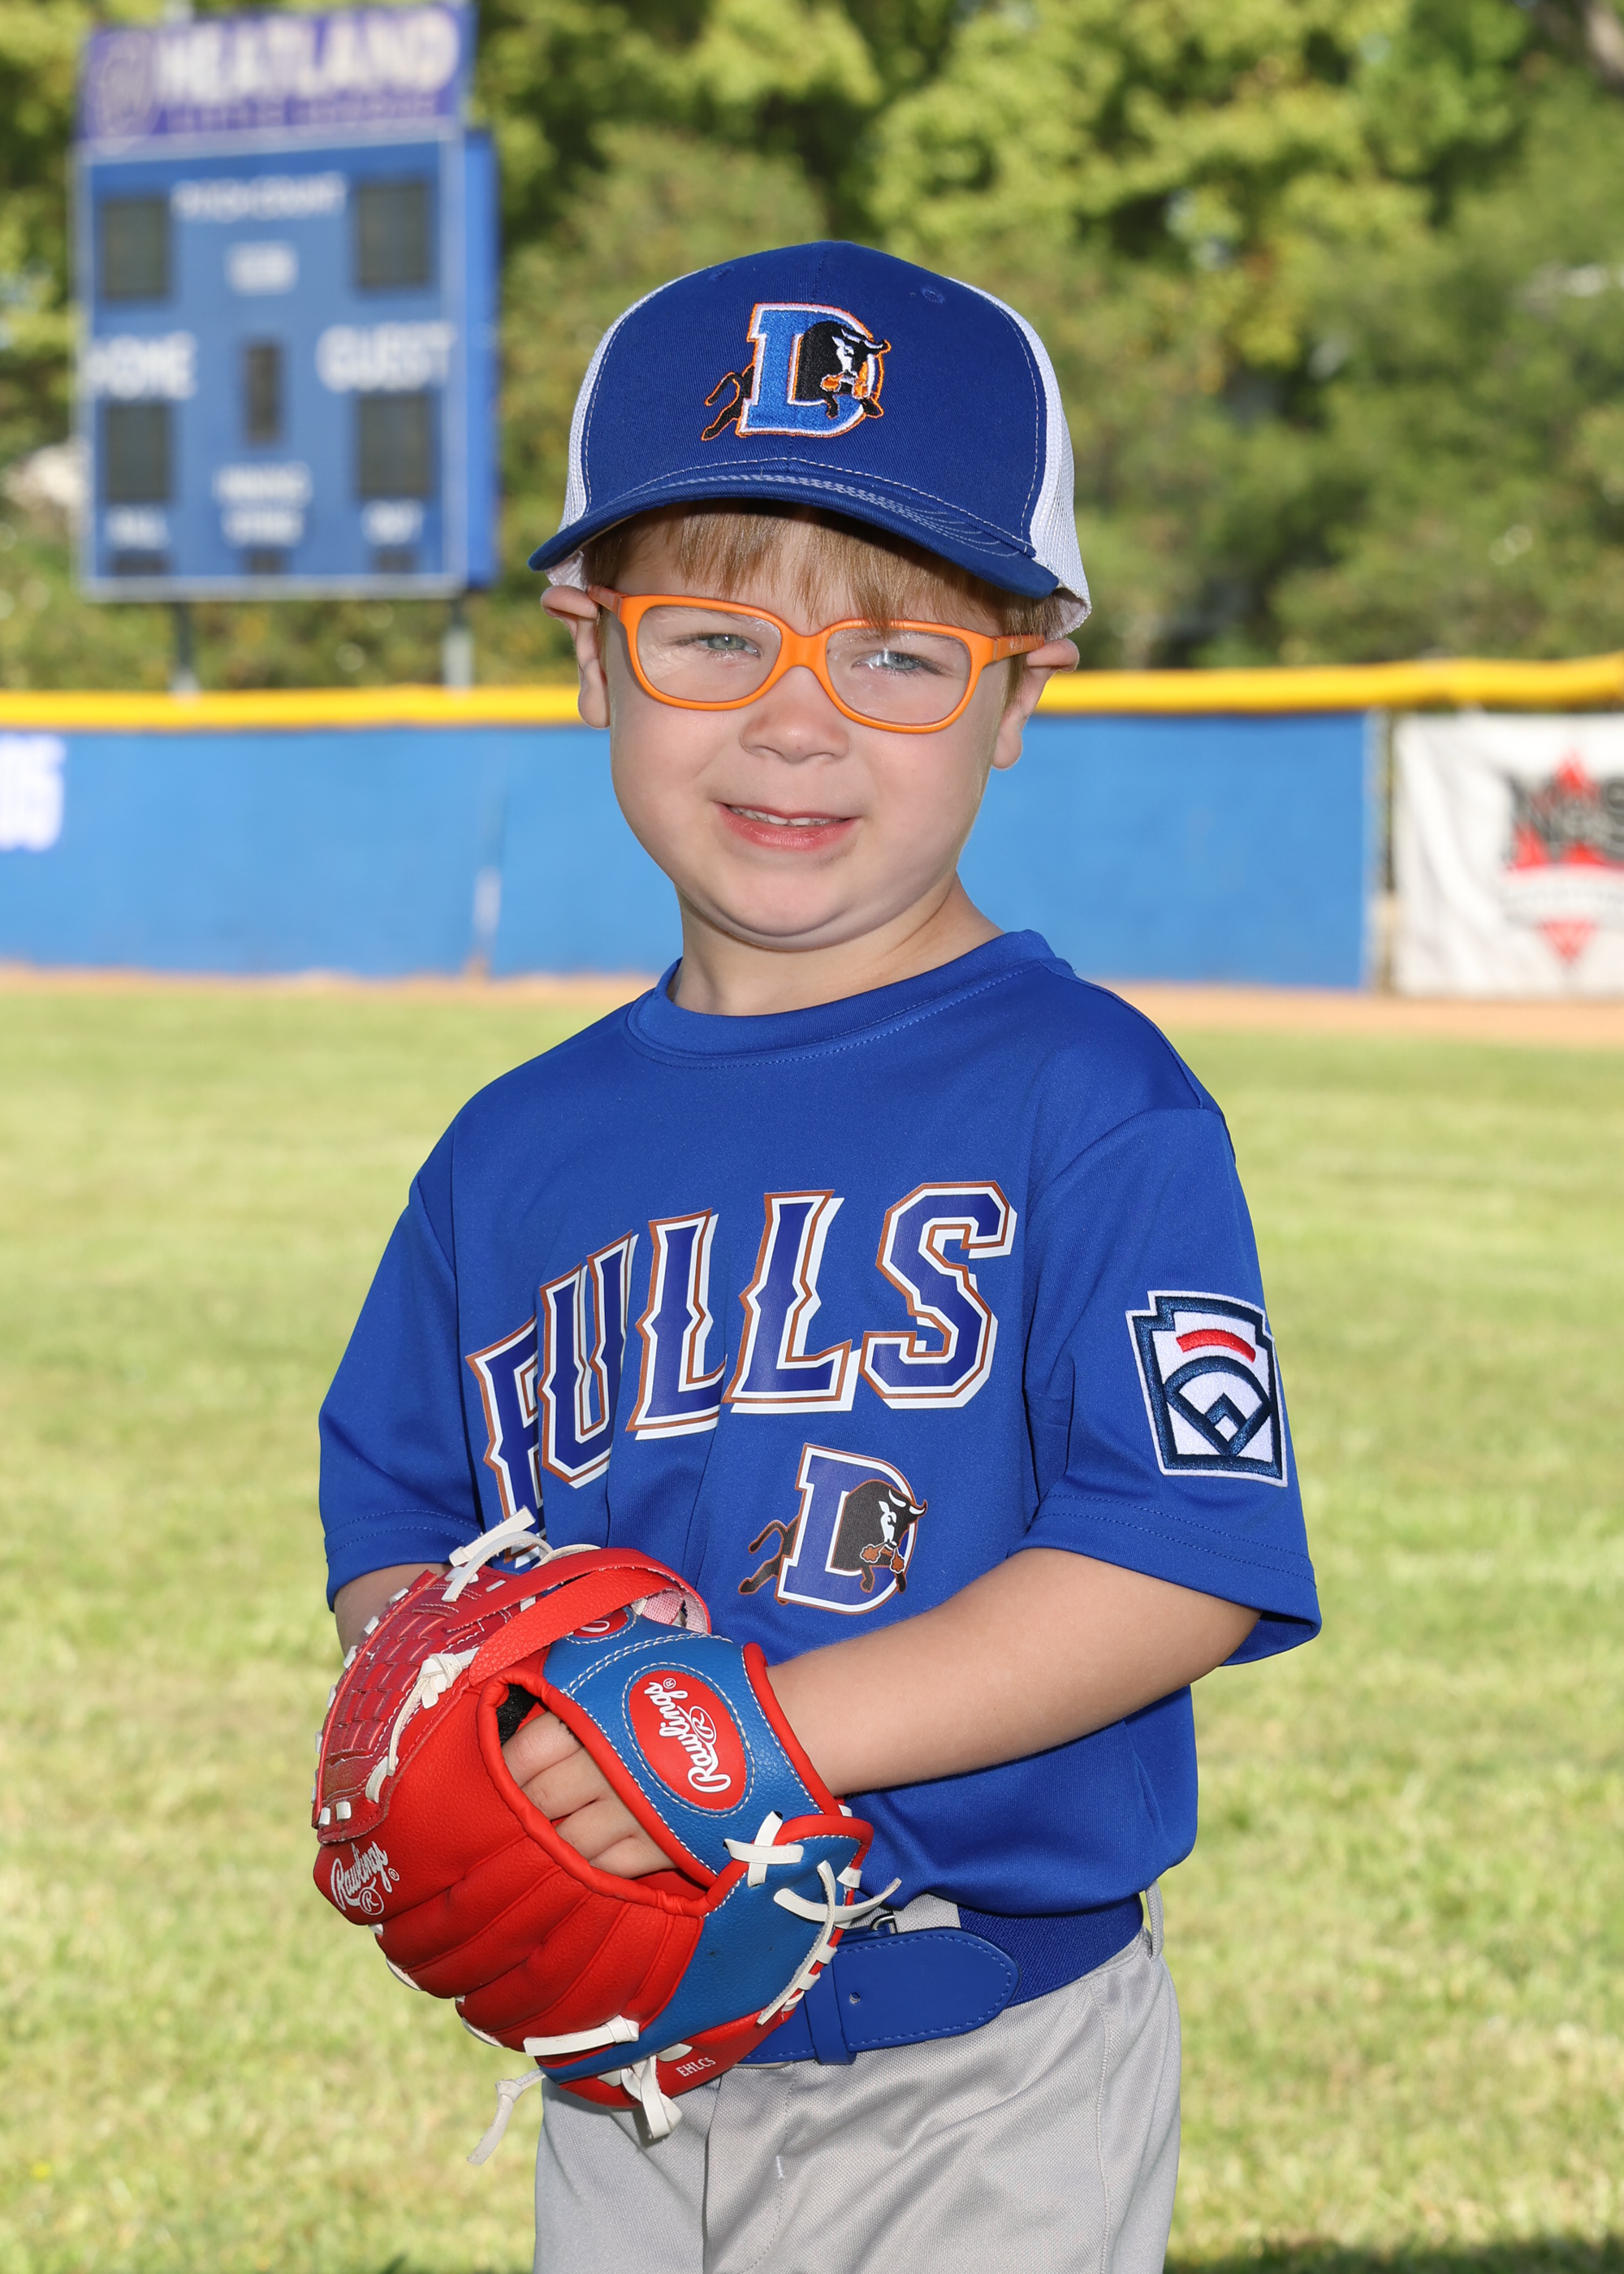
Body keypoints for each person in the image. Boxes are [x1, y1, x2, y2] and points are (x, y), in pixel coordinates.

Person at [319, 240, 1320, 2274]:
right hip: (623, 2057)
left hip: (982, 2066)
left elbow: (1178, 1555)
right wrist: (485, 1735)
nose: (797, 725)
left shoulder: (1090, 1101)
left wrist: (739, 1741)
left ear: (1019, 688)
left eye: (897, 656)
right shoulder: (508, 1153)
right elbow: (407, 1527)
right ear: (590, 653)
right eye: (711, 638)